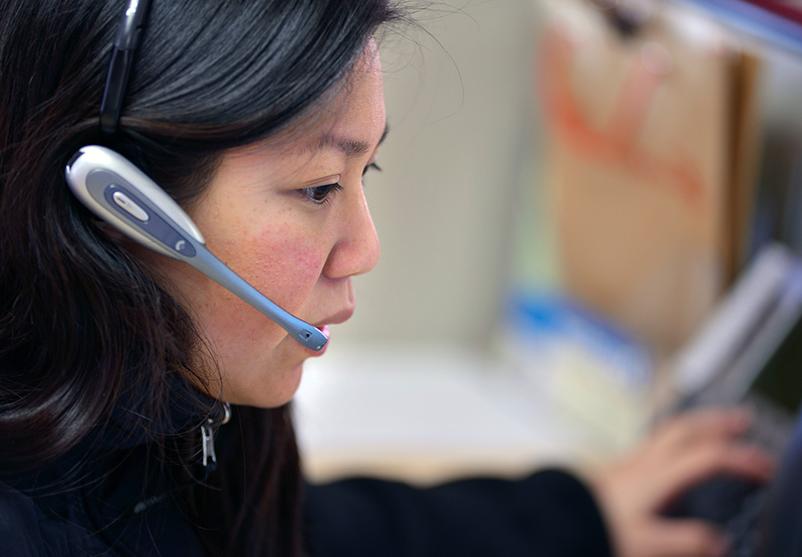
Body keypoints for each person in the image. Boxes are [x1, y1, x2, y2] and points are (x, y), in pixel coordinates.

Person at [0, 1, 775, 556]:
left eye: (364, 168)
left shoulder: (184, 422)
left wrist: (576, 516)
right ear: (123, 205)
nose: (364, 247)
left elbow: (306, 531)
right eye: (317, 188)